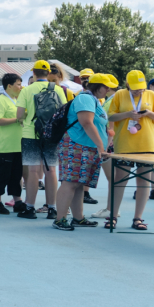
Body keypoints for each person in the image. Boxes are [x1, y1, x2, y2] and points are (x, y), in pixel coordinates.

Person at [52, 73, 117, 230]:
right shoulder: (85, 98)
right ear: (97, 86)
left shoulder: (93, 100)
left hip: (84, 146)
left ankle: (78, 218)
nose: (108, 90)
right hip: (76, 145)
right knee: (70, 182)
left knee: (79, 183)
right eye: (106, 87)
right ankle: (60, 219)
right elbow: (86, 122)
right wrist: (101, 146)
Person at [104, 70, 154, 231]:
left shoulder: (151, 95)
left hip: (147, 144)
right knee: (120, 180)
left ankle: (137, 218)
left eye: (141, 87)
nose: (139, 91)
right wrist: (127, 114)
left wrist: (149, 113)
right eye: (135, 88)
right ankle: (113, 215)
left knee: (144, 181)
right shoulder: (120, 95)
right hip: (125, 144)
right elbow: (111, 117)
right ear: (127, 85)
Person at [15, 59, 66, 220]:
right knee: (51, 171)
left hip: (31, 133)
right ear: (48, 73)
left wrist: (25, 118)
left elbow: (19, 115)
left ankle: (30, 207)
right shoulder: (58, 89)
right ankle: (52, 208)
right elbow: (63, 112)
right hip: (51, 134)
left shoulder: (27, 90)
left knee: (33, 171)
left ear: (34, 72)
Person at [0, 73, 24, 215]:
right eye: (18, 84)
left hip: (17, 145)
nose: (21, 87)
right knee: (2, 174)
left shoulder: (17, 101)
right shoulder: (0, 101)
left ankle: (17, 201)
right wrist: (17, 119)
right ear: (9, 86)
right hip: (4, 146)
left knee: (16, 175)